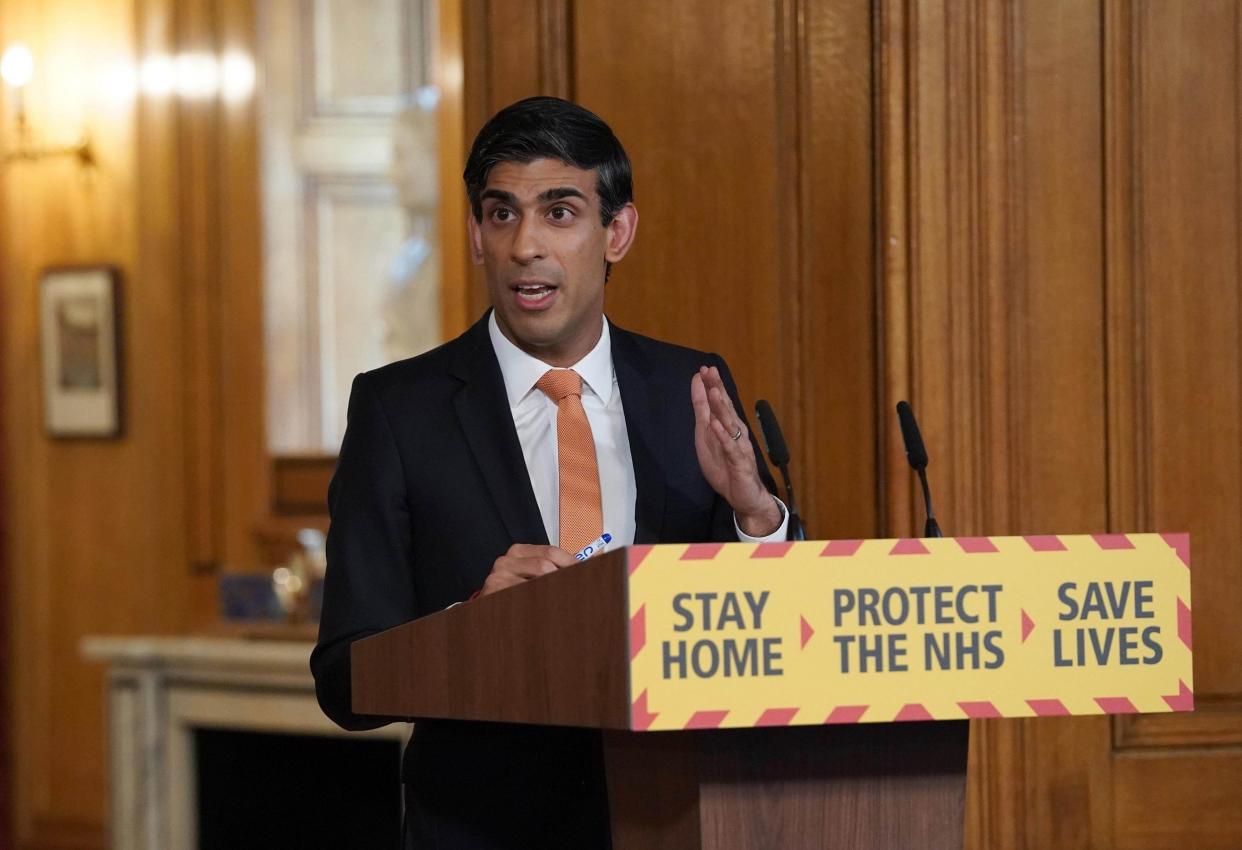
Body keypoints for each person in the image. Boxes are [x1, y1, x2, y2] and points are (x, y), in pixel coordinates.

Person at [311, 95, 788, 850]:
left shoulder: (686, 389)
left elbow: (776, 637)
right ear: (475, 234)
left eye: (559, 212)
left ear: (617, 232)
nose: (526, 245)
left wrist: (757, 517)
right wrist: (472, 627)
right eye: (502, 215)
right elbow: (344, 681)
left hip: (676, 816)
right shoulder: (398, 410)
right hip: (482, 827)